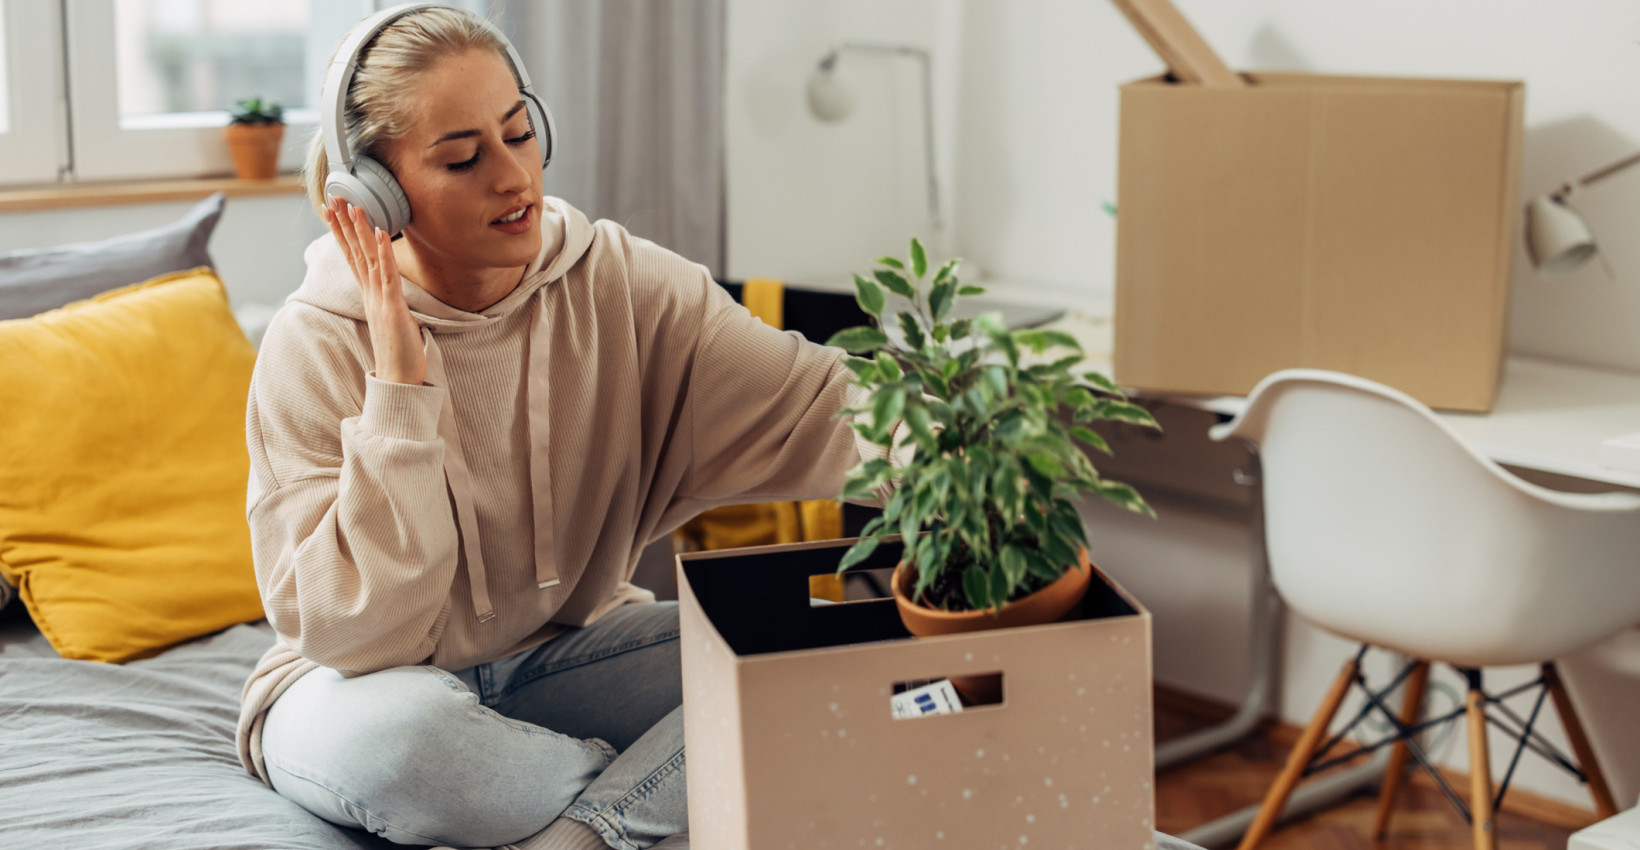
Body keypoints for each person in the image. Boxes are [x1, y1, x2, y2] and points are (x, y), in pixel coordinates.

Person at [233, 6, 895, 849]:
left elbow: (820, 405)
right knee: (405, 752)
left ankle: (587, 832)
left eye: (519, 133)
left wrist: (988, 461)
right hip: (359, 691)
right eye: (465, 158)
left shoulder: (623, 284)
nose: (514, 178)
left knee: (813, 650)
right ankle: (658, 798)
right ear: (376, 192)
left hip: (568, 658)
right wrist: (399, 388)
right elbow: (360, 633)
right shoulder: (314, 342)